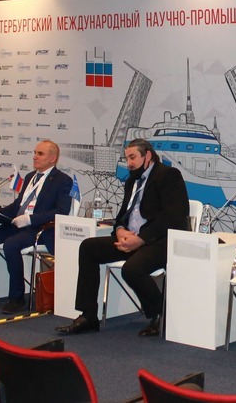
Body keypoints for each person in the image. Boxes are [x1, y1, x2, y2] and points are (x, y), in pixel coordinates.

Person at [56, 138, 189, 337]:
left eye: (133, 157)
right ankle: (89, 315)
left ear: (148, 156)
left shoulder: (168, 175)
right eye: (127, 158)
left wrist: (141, 239)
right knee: (88, 247)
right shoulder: (132, 180)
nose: (129, 163)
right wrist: (120, 231)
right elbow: (122, 216)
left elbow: (173, 216)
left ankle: (160, 314)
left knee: (132, 269)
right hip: (131, 239)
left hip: (159, 241)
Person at [0, 140, 73, 314]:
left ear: (53, 158)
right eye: (35, 153)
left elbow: (61, 211)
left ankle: (17, 298)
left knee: (11, 245)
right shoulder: (30, 177)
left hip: (40, 228)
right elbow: (18, 205)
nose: (35, 157)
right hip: (17, 225)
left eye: (40, 154)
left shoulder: (63, 180)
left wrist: (30, 219)